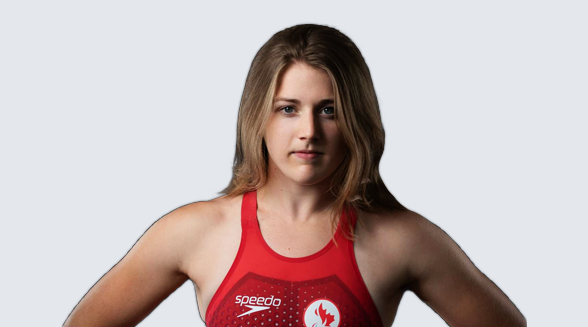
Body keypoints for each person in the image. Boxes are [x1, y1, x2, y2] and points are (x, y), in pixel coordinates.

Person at [63, 24, 526, 327]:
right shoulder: (194, 232)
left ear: (355, 120)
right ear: (258, 118)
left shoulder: (401, 239)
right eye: (288, 109)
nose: (309, 132)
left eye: (329, 110)